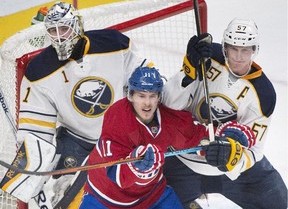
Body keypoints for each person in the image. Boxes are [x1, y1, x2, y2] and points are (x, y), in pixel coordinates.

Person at [0, 1, 152, 208]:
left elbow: (146, 82)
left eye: (64, 28)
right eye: (53, 31)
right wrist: (30, 161)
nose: (60, 37)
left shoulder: (114, 44)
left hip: (121, 135)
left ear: (77, 27)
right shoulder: (39, 71)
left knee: (139, 188)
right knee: (57, 196)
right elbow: (36, 128)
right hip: (76, 138)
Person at [79, 66, 254, 209]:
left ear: (159, 97)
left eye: (152, 96)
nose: (147, 103)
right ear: (131, 95)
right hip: (105, 198)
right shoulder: (117, 117)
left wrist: (227, 137)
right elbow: (117, 175)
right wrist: (136, 165)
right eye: (141, 96)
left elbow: (197, 136)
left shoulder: (169, 119)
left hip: (152, 196)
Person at [162, 18, 288, 209]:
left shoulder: (263, 93)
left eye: (245, 50)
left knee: (278, 203)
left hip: (234, 172)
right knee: (147, 199)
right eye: (233, 48)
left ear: (254, 50)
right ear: (224, 47)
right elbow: (169, 104)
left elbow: (254, 151)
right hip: (184, 158)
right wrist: (188, 72)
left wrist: (231, 157)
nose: (238, 56)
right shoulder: (206, 58)